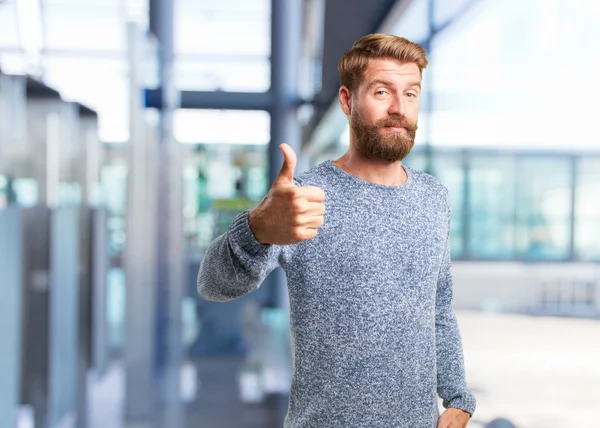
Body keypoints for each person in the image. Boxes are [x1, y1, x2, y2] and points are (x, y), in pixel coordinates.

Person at [197, 33, 476, 428]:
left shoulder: (433, 197)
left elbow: (439, 307)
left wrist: (458, 397)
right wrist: (257, 229)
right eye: (382, 92)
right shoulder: (303, 198)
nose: (399, 108)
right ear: (347, 100)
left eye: (410, 94)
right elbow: (212, 285)